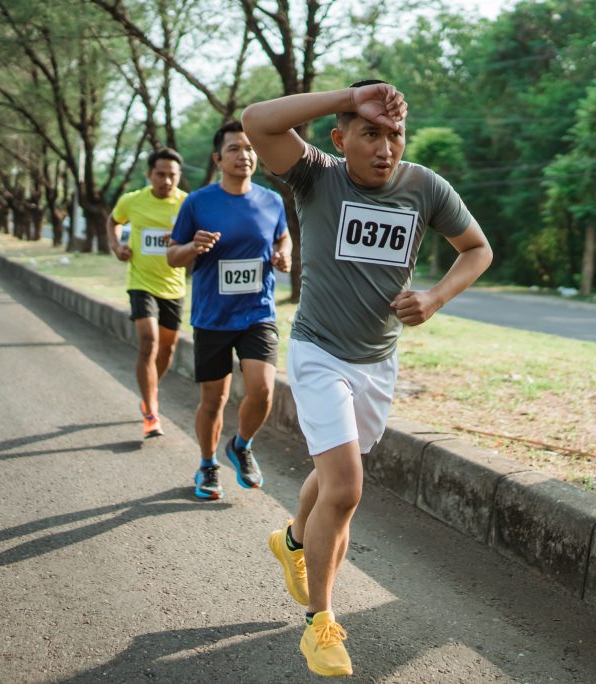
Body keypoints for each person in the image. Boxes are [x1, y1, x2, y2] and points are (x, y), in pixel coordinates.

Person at [242, 81, 493, 677]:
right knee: (347, 489)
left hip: (378, 362)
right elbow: (256, 121)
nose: (385, 148)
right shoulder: (316, 176)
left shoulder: (424, 187)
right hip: (319, 353)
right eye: (370, 133)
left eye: (395, 135)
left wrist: (435, 297)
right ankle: (320, 623)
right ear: (340, 137)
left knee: (338, 472)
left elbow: (477, 249)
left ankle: (293, 540)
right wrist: (348, 96)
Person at [166, 121, 292, 500]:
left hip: (257, 312)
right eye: (235, 148)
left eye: (250, 148)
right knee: (214, 400)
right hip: (213, 316)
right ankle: (207, 464)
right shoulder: (197, 203)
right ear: (218, 158)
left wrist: (283, 253)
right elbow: (172, 255)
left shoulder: (272, 201)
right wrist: (193, 247)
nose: (244, 155)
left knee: (263, 390)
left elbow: (282, 236)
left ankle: (241, 445)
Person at [107, 148, 188, 439]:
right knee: (148, 341)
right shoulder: (133, 200)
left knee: (167, 350)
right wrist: (117, 247)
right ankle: (152, 411)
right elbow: (113, 221)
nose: (166, 181)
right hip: (141, 283)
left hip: (174, 286)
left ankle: (150, 391)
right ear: (149, 174)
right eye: (160, 174)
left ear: (179, 176)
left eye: (172, 175)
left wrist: (181, 240)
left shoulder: (188, 203)